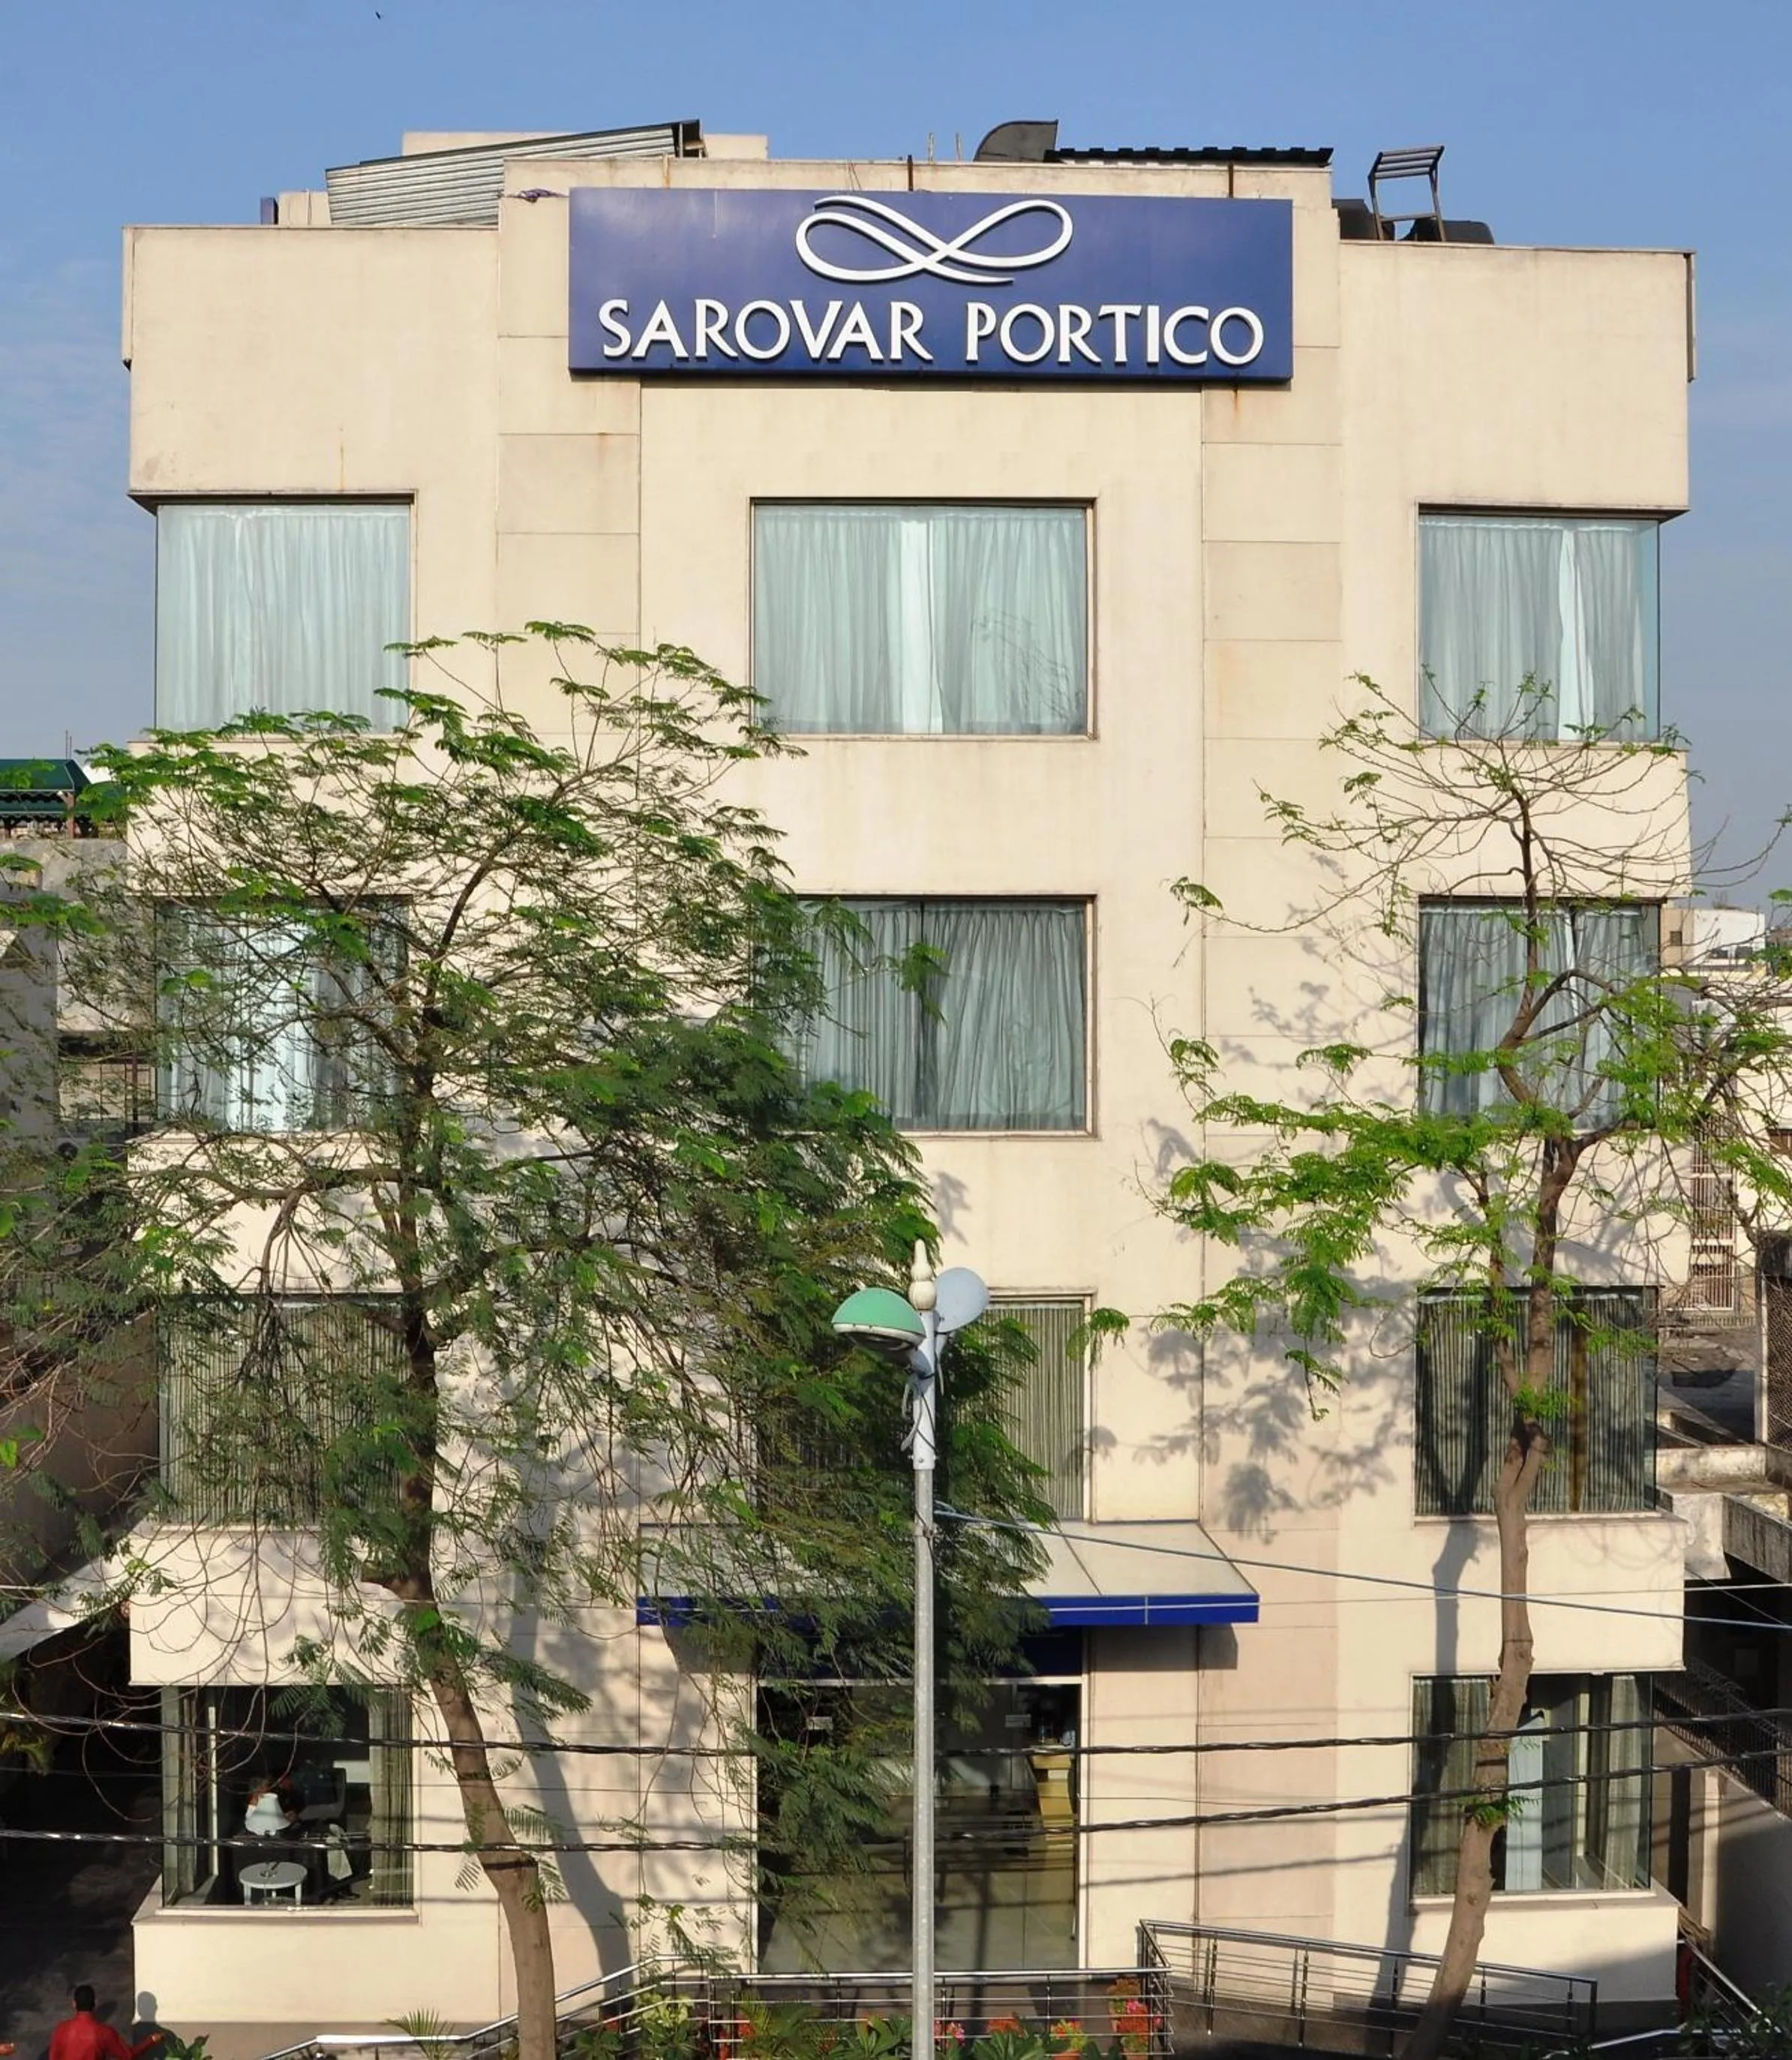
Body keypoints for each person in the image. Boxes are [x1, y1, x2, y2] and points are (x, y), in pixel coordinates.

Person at [49, 1986, 164, 2060]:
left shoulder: (61, 2029)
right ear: (95, 2003)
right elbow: (128, 2055)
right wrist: (151, 2040)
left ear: (74, 2004)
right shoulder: (104, 2032)